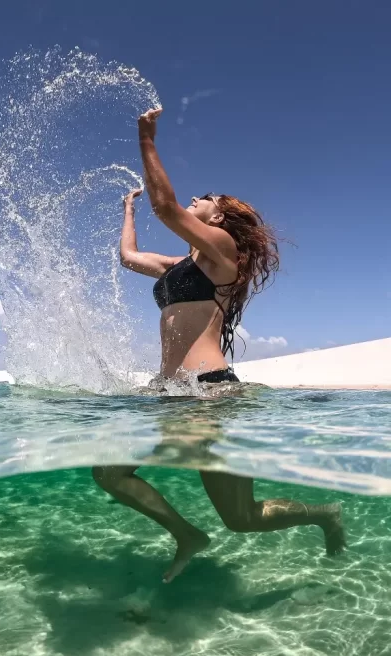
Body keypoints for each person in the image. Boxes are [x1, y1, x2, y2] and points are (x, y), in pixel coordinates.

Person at [92, 107, 345, 583]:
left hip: (209, 392)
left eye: (204, 198)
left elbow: (166, 209)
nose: (194, 199)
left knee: (242, 519)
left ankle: (323, 513)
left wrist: (147, 140)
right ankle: (187, 536)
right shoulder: (175, 267)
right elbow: (128, 258)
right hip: (167, 393)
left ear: (222, 216)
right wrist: (128, 207)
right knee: (109, 473)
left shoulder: (223, 252)